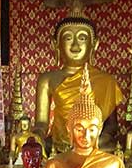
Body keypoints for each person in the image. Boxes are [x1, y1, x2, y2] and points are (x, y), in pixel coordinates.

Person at [45, 64, 126, 168]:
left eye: (92, 129)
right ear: (69, 128)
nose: (86, 135)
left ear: (100, 129)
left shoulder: (113, 164)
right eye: (79, 128)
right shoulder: (55, 164)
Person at [34, 13, 123, 152]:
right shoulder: (47, 79)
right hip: (61, 145)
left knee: (112, 149)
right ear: (56, 44)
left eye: (82, 38)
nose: (75, 46)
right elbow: (41, 122)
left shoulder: (106, 80)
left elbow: (112, 126)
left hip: (95, 145)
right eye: (68, 38)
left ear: (94, 44)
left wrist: (96, 140)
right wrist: (37, 135)